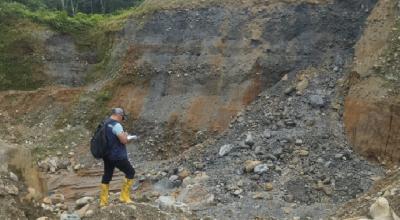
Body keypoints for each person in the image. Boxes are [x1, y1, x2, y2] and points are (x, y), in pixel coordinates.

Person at [99, 107, 135, 207]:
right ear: (119, 115)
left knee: (107, 175)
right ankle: (124, 197)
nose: (122, 119)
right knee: (130, 172)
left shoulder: (105, 123)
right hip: (118, 155)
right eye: (122, 117)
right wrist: (126, 136)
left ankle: (103, 201)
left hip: (106, 155)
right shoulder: (116, 125)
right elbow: (123, 140)